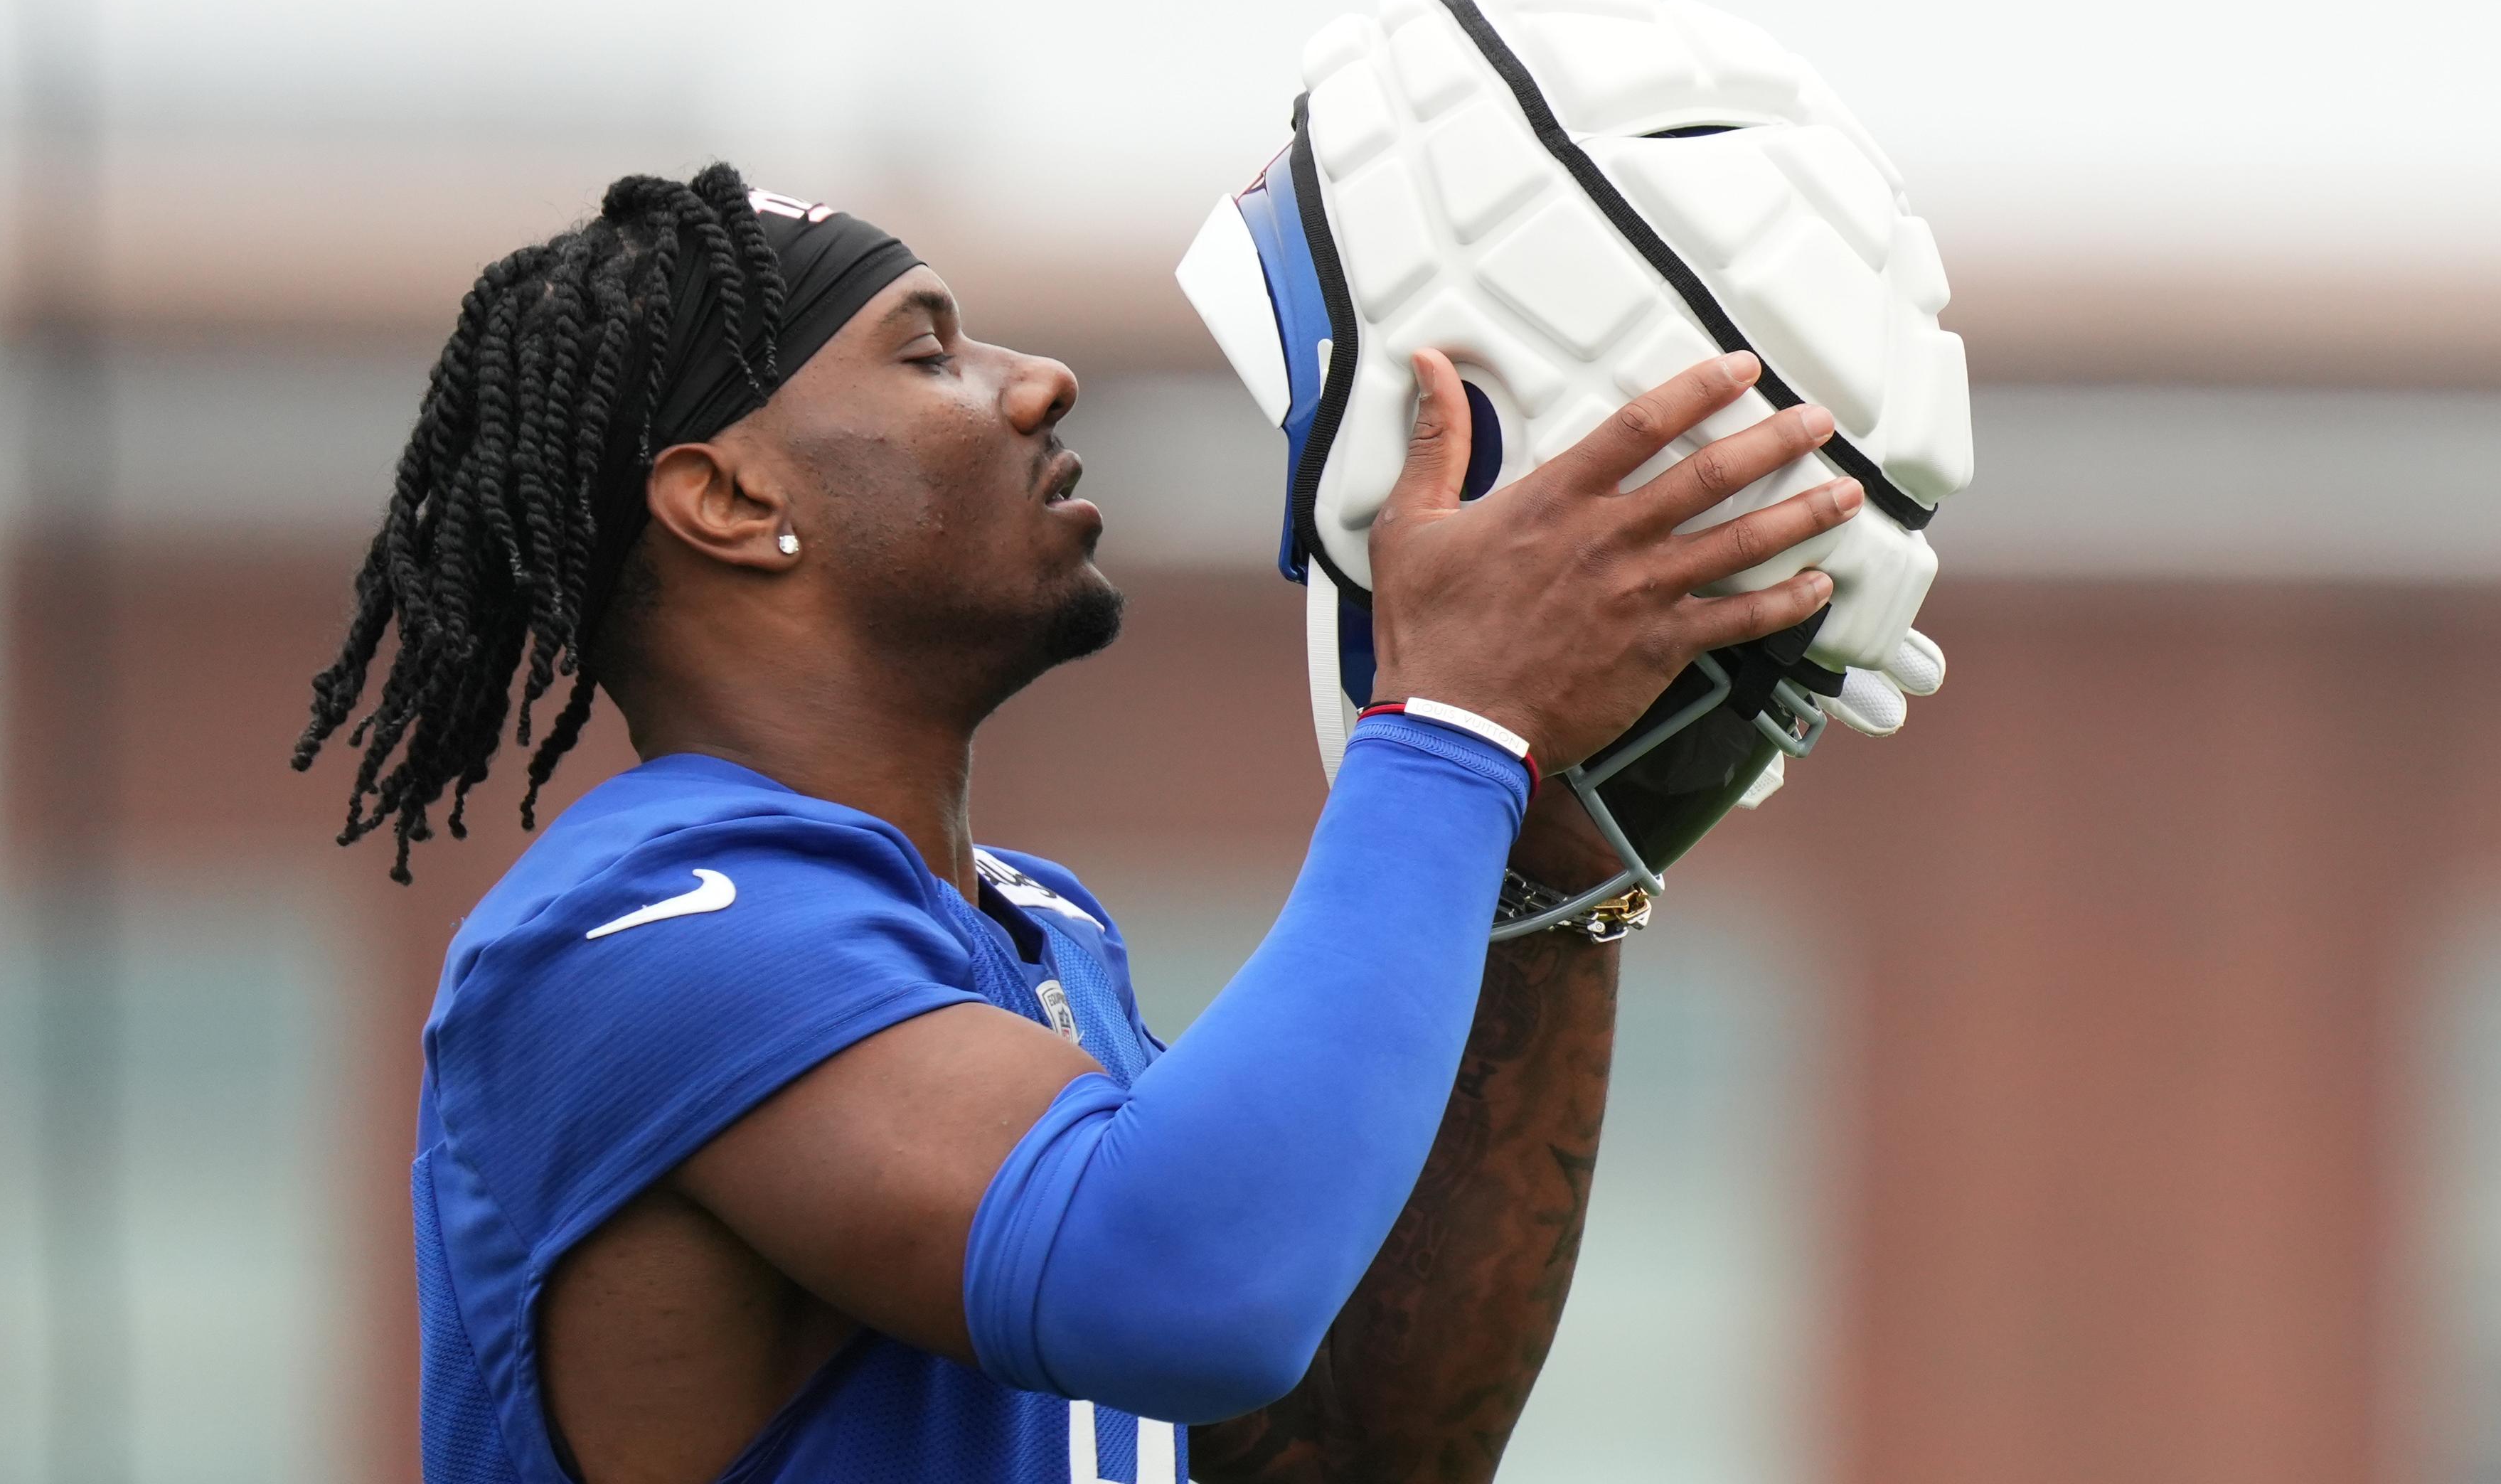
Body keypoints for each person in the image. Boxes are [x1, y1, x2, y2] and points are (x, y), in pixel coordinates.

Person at [294, 164, 1857, 1484]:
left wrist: (1551, 854)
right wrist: (1455, 729)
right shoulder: (637, 935)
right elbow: (1195, 1288)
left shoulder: (1032, 925)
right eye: (927, 356)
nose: (1034, 382)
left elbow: (1355, 1446)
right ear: (725, 501)